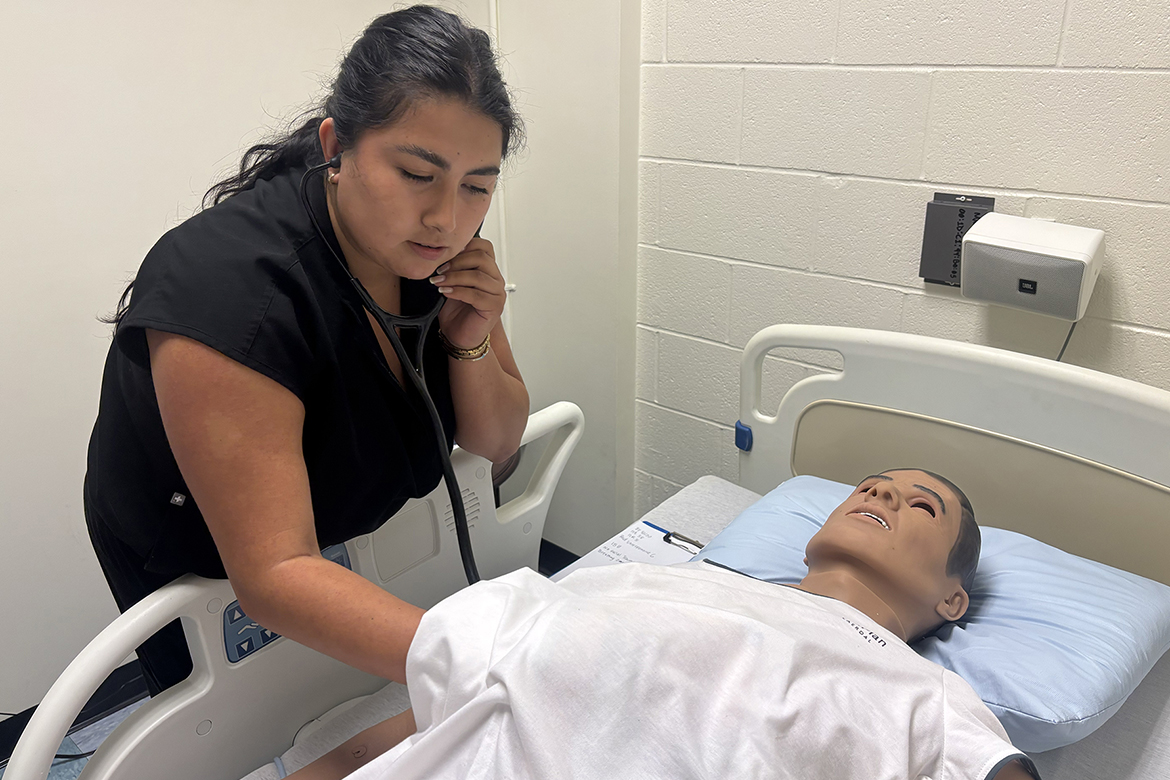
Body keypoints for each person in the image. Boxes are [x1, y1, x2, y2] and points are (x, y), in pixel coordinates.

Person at [83, 5, 529, 696]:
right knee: (240, 729)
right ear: (336, 145)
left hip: (336, 531)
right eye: (417, 173)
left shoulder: (442, 261)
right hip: (201, 558)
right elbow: (275, 574)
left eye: (478, 185)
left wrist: (470, 343)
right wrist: (485, 662)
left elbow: (499, 440)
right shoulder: (230, 293)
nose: (446, 217)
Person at [270, 469, 1040, 780]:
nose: (883, 492)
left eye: (921, 505)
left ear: (951, 600)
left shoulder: (929, 695)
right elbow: (447, 703)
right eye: (873, 484)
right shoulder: (648, 581)